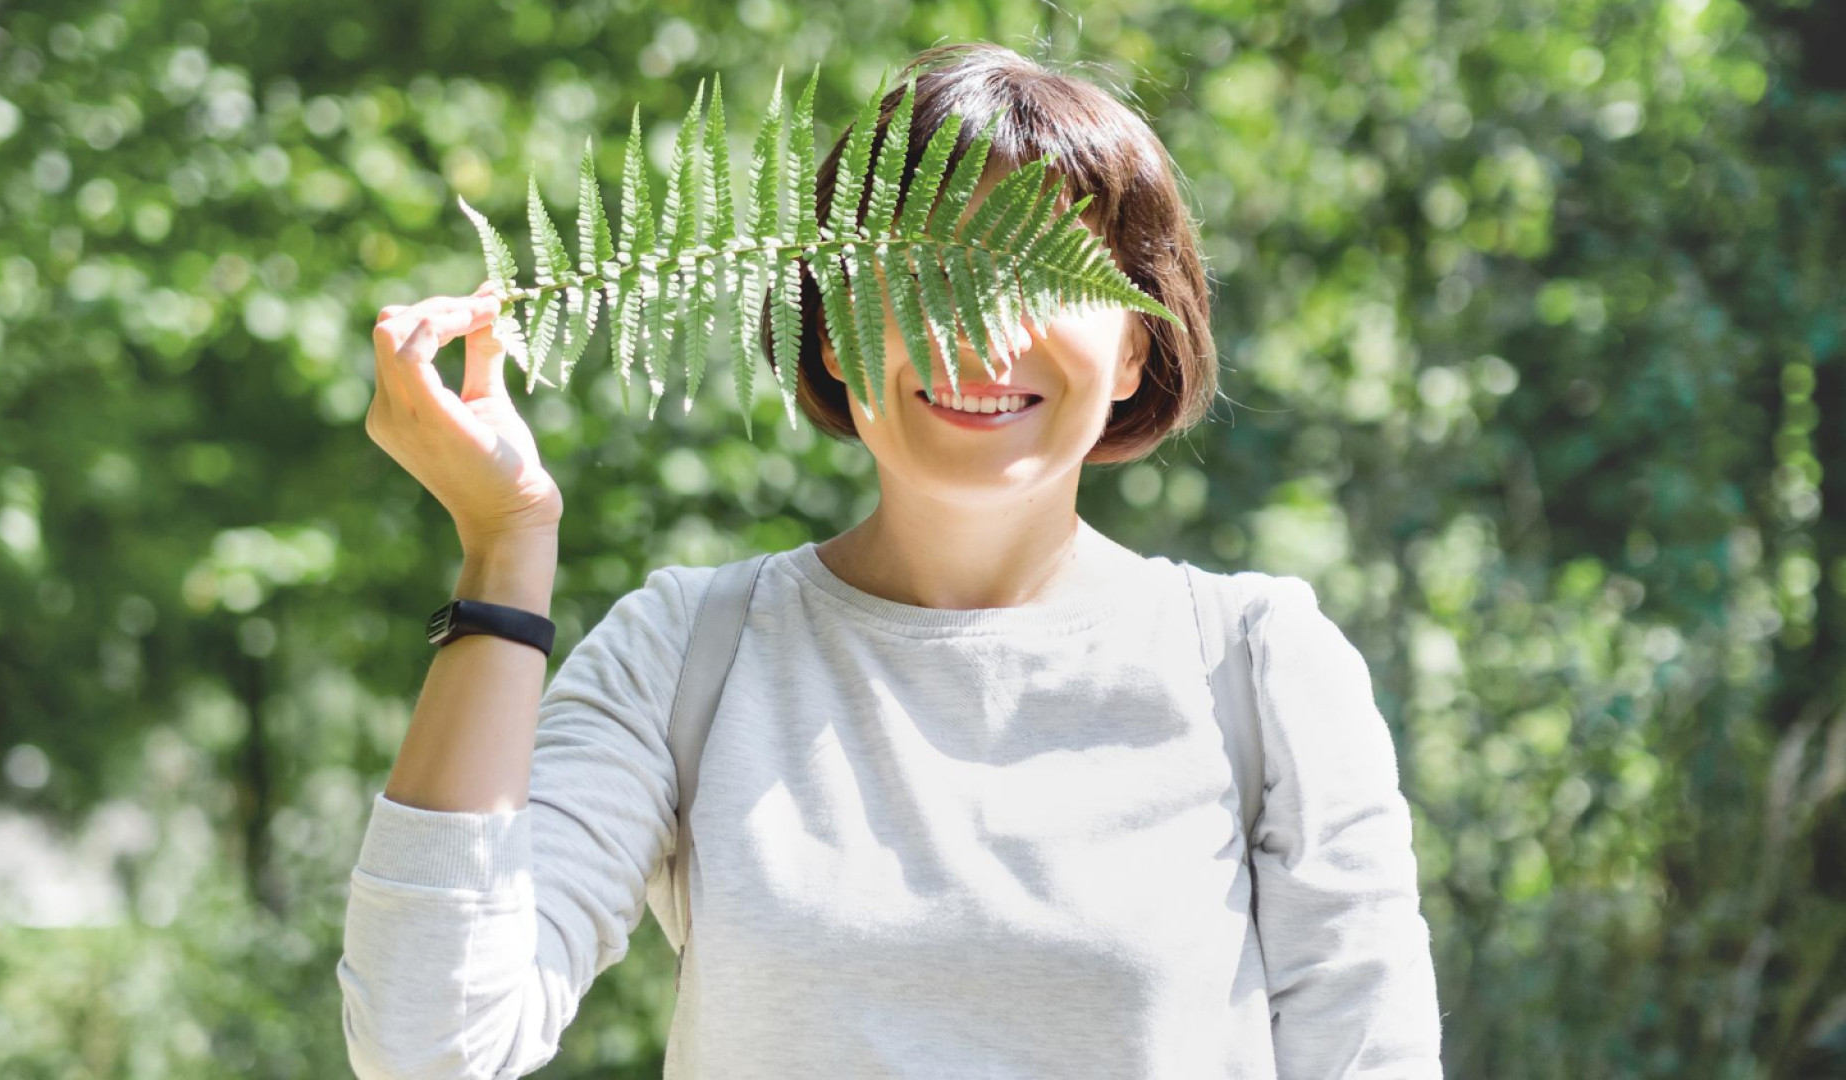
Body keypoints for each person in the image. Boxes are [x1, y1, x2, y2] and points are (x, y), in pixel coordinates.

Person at [338, 42, 1444, 1080]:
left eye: (1048, 274)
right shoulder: (688, 651)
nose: (985, 328)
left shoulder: (1258, 669)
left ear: (1135, 346)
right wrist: (505, 540)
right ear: (832, 328)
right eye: (931, 272)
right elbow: (432, 1042)